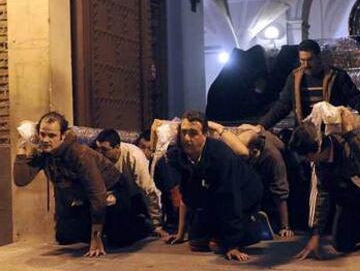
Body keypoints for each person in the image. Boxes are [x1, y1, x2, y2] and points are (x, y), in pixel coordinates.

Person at [13, 112, 152, 257]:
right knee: (65, 236)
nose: (46, 140)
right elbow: (21, 179)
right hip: (86, 198)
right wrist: (21, 149)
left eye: (52, 136)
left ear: (63, 135)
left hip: (113, 193)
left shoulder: (79, 154)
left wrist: (96, 236)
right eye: (42, 134)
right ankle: (103, 226)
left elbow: (97, 193)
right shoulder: (44, 152)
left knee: (119, 239)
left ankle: (140, 221)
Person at [166, 111, 268, 261]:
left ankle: (253, 223)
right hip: (213, 195)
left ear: (205, 134)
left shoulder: (221, 157)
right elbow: (185, 195)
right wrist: (181, 233)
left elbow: (231, 200)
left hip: (244, 193)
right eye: (184, 133)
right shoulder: (179, 155)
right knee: (195, 241)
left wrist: (232, 245)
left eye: (193, 133)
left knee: (222, 242)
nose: (187, 138)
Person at [289, 122, 360, 259]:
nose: (306, 159)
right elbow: (320, 195)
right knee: (341, 244)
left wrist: (348, 130)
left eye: (307, 155)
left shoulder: (351, 148)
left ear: (315, 152)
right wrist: (315, 234)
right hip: (354, 202)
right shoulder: (319, 165)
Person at [242, 39, 360, 133]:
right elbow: (283, 105)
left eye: (310, 60)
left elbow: (356, 99)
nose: (306, 65)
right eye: (302, 60)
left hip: (332, 131)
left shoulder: (336, 76)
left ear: (319, 57)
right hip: (305, 132)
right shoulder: (295, 77)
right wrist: (262, 126)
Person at [208, 121, 293, 237]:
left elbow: (281, 193)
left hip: (269, 197)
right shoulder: (242, 144)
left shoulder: (274, 158)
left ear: (254, 152)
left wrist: (285, 227)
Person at [94, 128, 167, 237]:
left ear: (117, 147)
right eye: (98, 149)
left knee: (121, 236)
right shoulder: (97, 157)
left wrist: (157, 224)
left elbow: (148, 191)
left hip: (137, 198)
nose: (100, 153)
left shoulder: (134, 156)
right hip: (112, 198)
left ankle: (144, 224)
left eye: (104, 149)